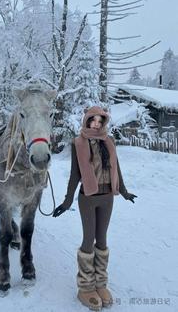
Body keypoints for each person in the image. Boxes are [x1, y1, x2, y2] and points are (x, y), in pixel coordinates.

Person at [53, 106, 137, 311]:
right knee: (88, 240)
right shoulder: (79, 143)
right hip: (88, 198)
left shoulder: (109, 141)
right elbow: (75, 174)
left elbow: (117, 168)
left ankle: (100, 284)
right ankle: (85, 287)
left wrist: (124, 192)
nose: (97, 124)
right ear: (87, 120)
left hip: (108, 197)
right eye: (93, 120)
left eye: (100, 121)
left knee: (102, 240)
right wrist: (67, 201)